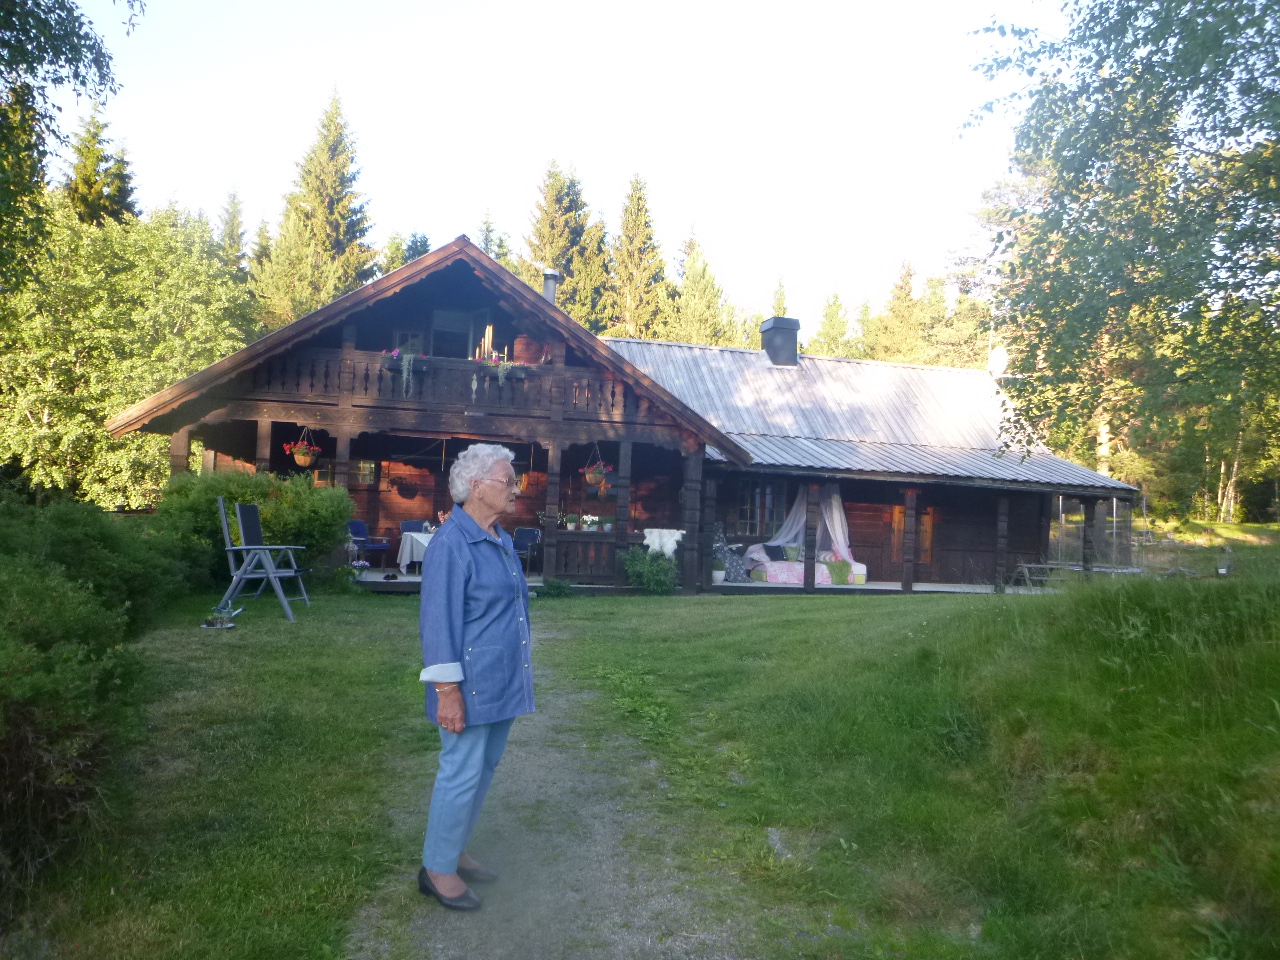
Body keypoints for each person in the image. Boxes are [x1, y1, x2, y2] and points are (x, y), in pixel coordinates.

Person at [417, 444, 534, 910]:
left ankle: (454, 850)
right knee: (461, 773)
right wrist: (447, 693)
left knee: (482, 770)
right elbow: (437, 625)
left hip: (501, 678)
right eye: (508, 481)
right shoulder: (451, 544)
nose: (516, 489)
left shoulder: (499, 539)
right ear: (476, 486)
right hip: (468, 686)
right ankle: (437, 869)